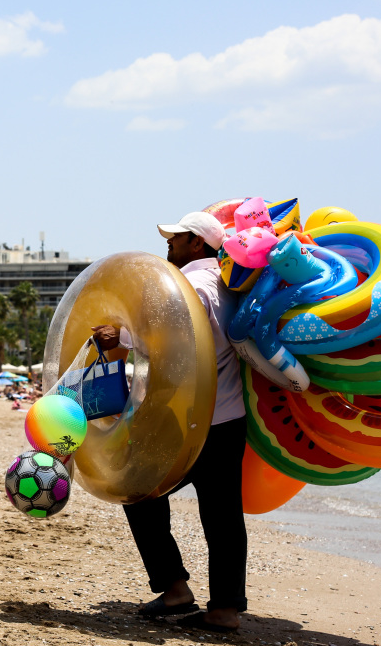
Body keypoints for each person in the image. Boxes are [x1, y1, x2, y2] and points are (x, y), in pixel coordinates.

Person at [95, 210, 247, 633]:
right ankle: (225, 609)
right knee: (223, 515)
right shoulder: (226, 284)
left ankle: (175, 587)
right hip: (229, 416)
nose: (169, 243)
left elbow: (173, 338)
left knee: (137, 490)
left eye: (176, 238)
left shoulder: (194, 285)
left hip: (190, 422)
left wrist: (119, 338)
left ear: (197, 243)